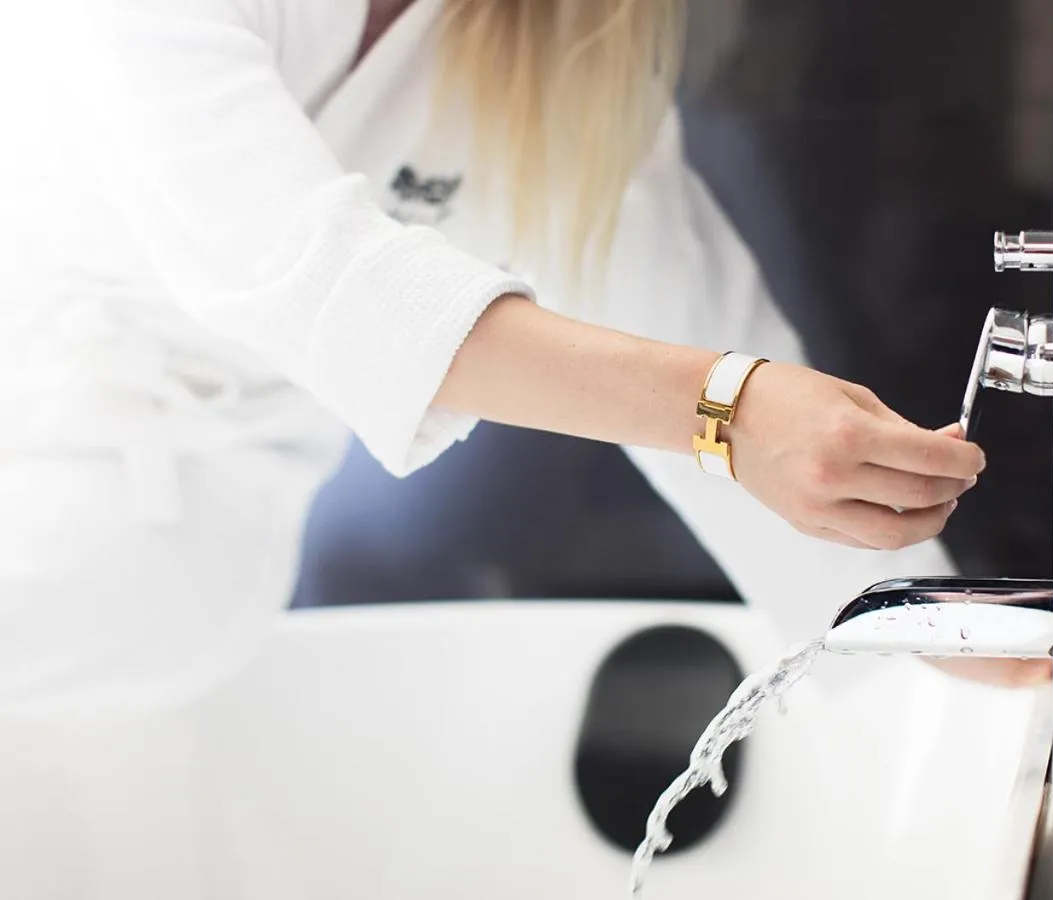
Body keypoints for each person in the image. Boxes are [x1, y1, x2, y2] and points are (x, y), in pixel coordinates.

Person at [0, 0, 992, 721]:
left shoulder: (548, 35)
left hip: (192, 586)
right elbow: (308, 270)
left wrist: (941, 638)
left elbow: (691, 314)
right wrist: (724, 413)